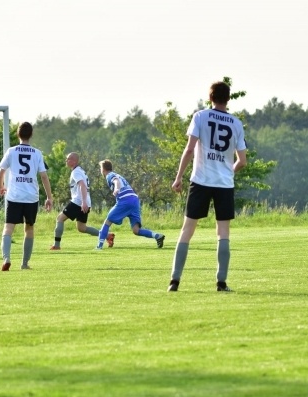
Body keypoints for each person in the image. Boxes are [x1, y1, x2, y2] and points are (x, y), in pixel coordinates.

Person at [168, 81, 247, 292]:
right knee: (223, 233)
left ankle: (174, 281)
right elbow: (242, 161)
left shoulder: (200, 117)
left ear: (210, 97)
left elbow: (189, 149)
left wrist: (178, 177)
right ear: (228, 98)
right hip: (224, 184)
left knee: (187, 230)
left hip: (200, 181)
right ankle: (221, 282)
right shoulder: (236, 123)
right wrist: (228, 170)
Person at [0, 121, 53, 271]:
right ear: (31, 134)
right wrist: (49, 197)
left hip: (14, 195)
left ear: (18, 134)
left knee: (8, 228)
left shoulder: (11, 151)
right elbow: (44, 176)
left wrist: (1, 187)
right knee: (29, 228)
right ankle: (24, 263)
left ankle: (6, 258)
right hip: (31, 196)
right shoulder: (37, 153)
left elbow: (0, 174)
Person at [95, 160, 165, 250]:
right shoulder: (118, 175)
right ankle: (157, 236)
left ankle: (99, 247)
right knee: (136, 230)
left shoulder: (109, 175)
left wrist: (116, 189)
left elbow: (116, 181)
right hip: (134, 200)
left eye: (100, 168)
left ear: (103, 169)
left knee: (107, 222)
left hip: (125, 200)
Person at [50, 152, 100, 250]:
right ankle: (107, 236)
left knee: (60, 218)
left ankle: (56, 245)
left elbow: (82, 185)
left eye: (68, 159)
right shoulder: (80, 170)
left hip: (79, 202)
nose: (66, 161)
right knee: (82, 228)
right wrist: (86, 202)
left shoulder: (76, 172)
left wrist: (83, 202)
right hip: (85, 201)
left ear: (73, 161)